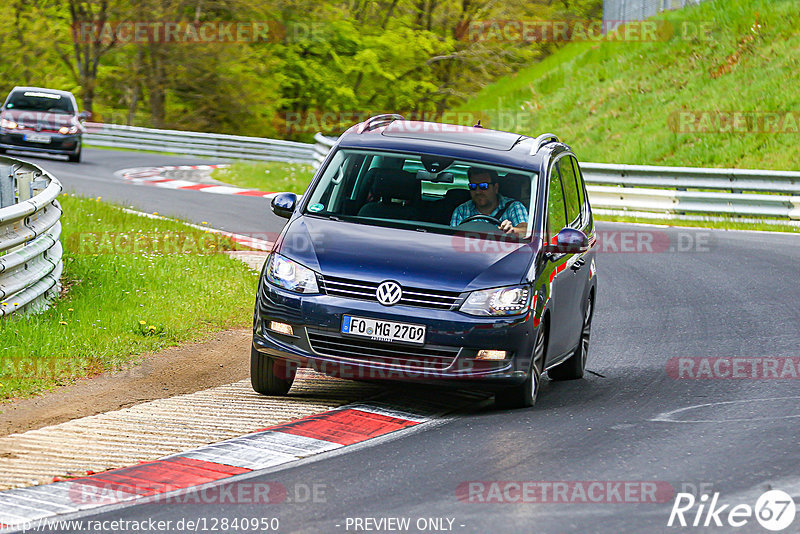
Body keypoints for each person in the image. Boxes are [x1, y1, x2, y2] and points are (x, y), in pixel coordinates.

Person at [450, 167, 529, 237]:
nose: (477, 192)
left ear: (495, 188)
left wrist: (513, 230)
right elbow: (452, 238)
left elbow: (525, 230)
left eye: (483, 186)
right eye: (473, 186)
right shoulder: (461, 210)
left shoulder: (514, 206)